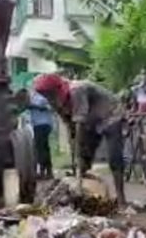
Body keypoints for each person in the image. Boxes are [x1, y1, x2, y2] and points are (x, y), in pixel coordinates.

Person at [33, 73, 126, 205]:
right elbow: (68, 124)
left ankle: (121, 198)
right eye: (45, 96)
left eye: (49, 94)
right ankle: (82, 192)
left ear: (55, 90)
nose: (48, 98)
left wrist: (77, 149)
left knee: (114, 155)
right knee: (84, 157)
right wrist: (75, 151)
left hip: (110, 114)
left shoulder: (77, 90)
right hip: (92, 120)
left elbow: (79, 124)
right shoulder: (54, 101)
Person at [27, 89, 55, 179]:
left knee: (41, 148)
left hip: (43, 124)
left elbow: (49, 108)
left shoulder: (43, 97)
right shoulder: (32, 97)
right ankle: (47, 171)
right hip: (37, 124)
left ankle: (44, 171)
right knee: (43, 147)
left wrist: (35, 106)